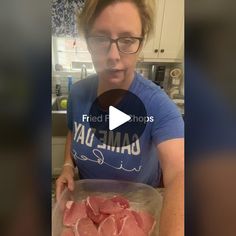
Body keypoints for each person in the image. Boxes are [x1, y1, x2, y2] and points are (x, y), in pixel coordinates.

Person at [56, 0, 184, 235]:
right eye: (101, 38)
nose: (113, 55)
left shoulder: (157, 105)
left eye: (127, 40)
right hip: (89, 211)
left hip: (135, 212)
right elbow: (73, 129)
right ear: (88, 42)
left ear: (141, 43)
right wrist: (66, 166)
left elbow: (180, 173)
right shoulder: (78, 93)